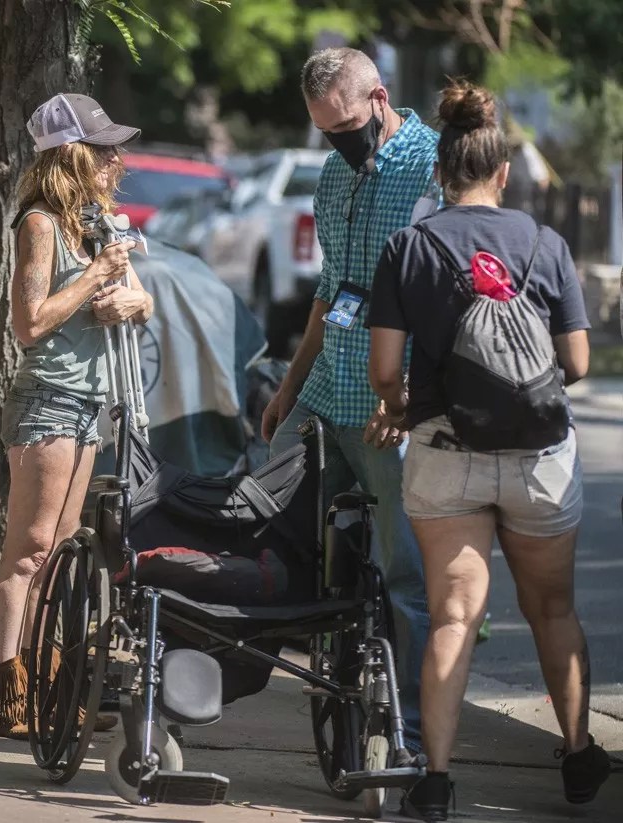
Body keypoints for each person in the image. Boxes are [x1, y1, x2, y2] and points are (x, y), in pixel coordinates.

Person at [367, 79, 609, 820]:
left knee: (452, 618)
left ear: (440, 172)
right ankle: (576, 754)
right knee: (554, 610)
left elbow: (384, 370)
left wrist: (401, 408)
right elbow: (576, 363)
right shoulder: (546, 244)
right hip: (538, 457)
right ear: (502, 171)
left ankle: (435, 778)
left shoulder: (409, 247)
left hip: (445, 453)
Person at [260, 47, 438, 754]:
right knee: (292, 522)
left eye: (345, 126)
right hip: (331, 390)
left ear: (379, 98)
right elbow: (329, 291)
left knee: (406, 577)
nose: (337, 142)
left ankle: (415, 730)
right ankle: (330, 672)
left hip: (394, 411)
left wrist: (412, 398)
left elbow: (454, 296)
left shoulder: (432, 166)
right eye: (324, 131)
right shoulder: (334, 176)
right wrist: (291, 383)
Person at [0, 93, 153, 738]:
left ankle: (47, 686)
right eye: (104, 151)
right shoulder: (40, 222)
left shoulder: (96, 222)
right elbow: (29, 324)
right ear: (73, 155)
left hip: (88, 406)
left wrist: (128, 300)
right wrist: (92, 281)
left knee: (60, 554)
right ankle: (3, 696)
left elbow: (142, 299)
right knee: (28, 552)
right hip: (48, 398)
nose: (117, 161)